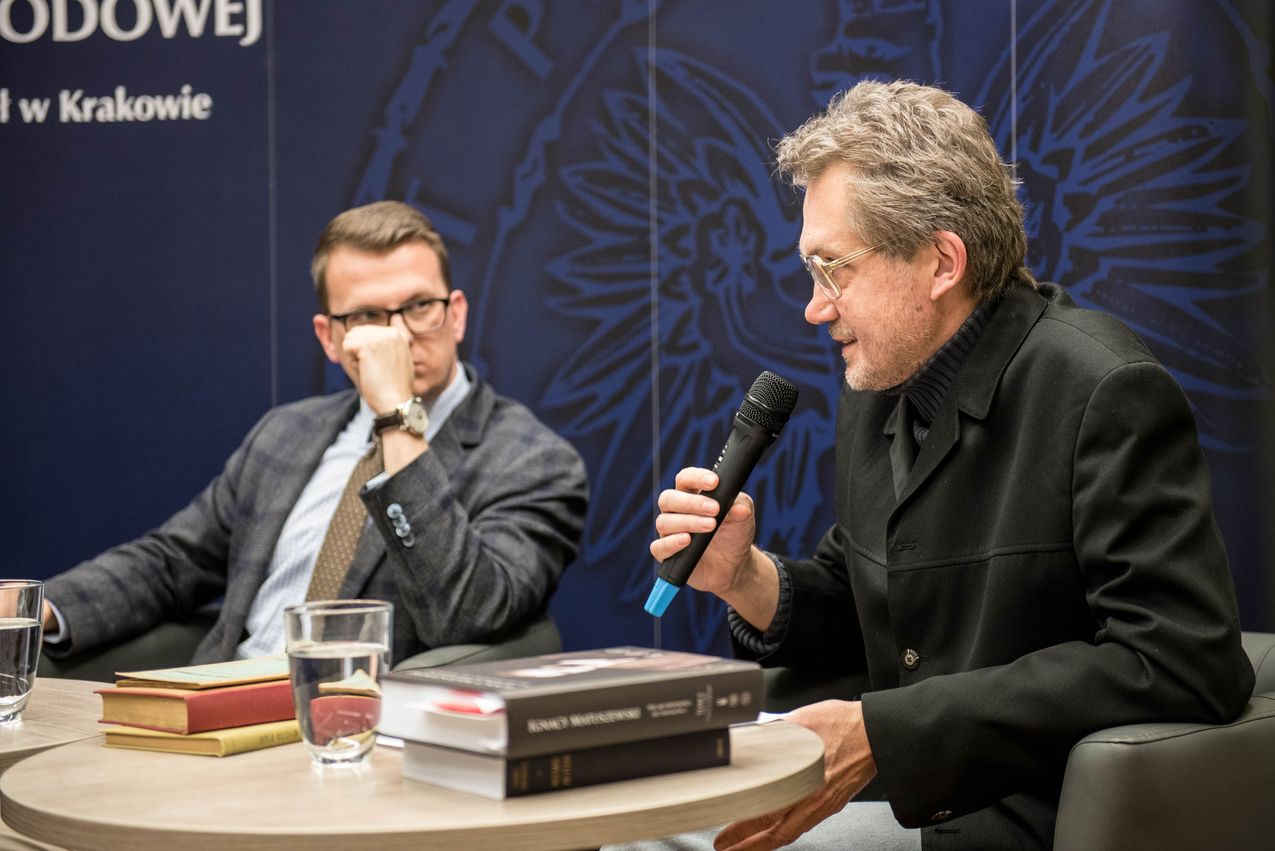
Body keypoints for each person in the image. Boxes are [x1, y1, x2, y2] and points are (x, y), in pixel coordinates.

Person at [646, 81, 1254, 850]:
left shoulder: (1100, 388)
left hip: (1023, 820)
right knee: (643, 824)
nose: (814, 307)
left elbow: (1180, 659)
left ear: (940, 262)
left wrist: (884, 734)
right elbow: (872, 603)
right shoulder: (878, 386)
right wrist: (745, 577)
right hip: (916, 805)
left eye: (832, 270)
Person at [41, 200, 588, 666]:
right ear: (329, 338)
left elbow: (467, 615)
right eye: (368, 316)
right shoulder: (287, 434)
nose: (398, 337)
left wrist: (398, 417)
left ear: (457, 314)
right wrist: (34, 609)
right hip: (220, 706)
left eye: (421, 306)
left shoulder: (531, 461)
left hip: (362, 726)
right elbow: (173, 563)